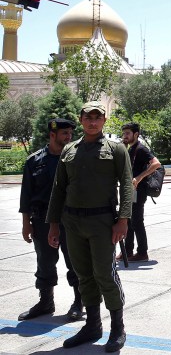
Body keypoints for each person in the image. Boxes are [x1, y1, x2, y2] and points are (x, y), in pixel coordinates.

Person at [46, 102, 133, 352]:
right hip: (72, 222)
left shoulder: (116, 149)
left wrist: (123, 220)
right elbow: (58, 188)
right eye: (88, 117)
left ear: (104, 120)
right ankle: (92, 325)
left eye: (97, 117)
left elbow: (127, 185)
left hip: (102, 222)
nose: (92, 122)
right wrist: (53, 225)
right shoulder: (69, 150)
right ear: (81, 119)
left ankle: (117, 327)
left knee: (105, 275)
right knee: (84, 275)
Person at [18, 118, 82, 323]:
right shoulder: (34, 161)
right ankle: (46, 302)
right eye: (64, 133)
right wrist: (25, 223)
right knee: (44, 262)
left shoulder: (75, 159)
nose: (69, 137)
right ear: (52, 135)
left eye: (70, 133)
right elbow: (26, 196)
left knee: (75, 262)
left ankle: (79, 303)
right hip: (41, 220)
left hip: (69, 219)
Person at [116, 122, 161, 263]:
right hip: (130, 191)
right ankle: (128, 251)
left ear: (136, 134)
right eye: (124, 133)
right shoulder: (130, 149)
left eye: (128, 133)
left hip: (138, 191)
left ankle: (142, 252)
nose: (125, 136)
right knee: (127, 220)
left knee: (137, 222)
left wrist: (139, 177)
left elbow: (156, 163)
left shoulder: (141, 149)